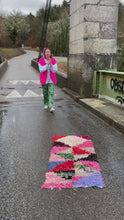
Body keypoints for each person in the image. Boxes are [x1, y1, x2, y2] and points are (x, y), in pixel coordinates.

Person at [38, 48, 58, 113]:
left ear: (50, 53)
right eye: (46, 52)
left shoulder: (53, 60)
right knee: (45, 93)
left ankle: (51, 106)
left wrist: (51, 64)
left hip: (51, 80)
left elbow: (55, 70)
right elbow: (41, 69)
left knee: (51, 93)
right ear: (44, 53)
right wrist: (47, 65)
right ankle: (46, 103)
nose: (47, 53)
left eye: (49, 52)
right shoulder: (41, 60)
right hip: (44, 80)